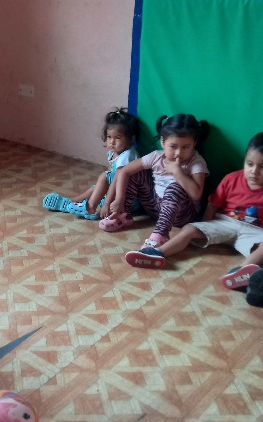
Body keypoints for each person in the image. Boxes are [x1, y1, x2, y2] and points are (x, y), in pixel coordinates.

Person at [123, 133, 263, 294]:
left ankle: (242, 274)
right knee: (189, 229)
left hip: (254, 231)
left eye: (262, 167)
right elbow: (212, 205)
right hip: (226, 222)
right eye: (250, 164)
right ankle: (157, 253)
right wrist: (205, 226)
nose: (254, 171)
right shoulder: (232, 179)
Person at [100, 114, 210, 251]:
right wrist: (119, 200)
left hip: (181, 216)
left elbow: (196, 194)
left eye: (185, 147)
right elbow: (124, 171)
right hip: (155, 207)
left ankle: (160, 235)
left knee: (175, 187)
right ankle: (123, 215)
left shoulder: (196, 162)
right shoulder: (157, 156)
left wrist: (177, 172)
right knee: (135, 173)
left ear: (194, 143)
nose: (178, 153)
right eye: (173, 146)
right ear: (162, 141)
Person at [42, 108, 140, 219]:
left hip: (129, 199)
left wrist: (107, 203)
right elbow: (112, 176)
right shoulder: (113, 153)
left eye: (118, 138)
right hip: (118, 190)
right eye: (109, 137)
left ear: (131, 139)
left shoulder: (127, 155)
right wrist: (103, 190)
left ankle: (90, 208)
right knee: (96, 187)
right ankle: (73, 202)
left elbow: (116, 180)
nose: (112, 142)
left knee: (104, 177)